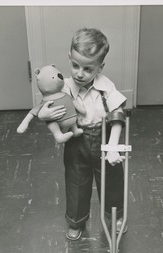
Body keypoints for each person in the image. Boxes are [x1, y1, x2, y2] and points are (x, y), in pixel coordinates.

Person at [38, 28, 127, 240]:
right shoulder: (63, 87)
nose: (79, 73)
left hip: (104, 140)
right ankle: (76, 221)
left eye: (88, 69)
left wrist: (113, 146)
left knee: (112, 181)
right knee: (76, 182)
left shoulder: (106, 87)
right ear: (69, 58)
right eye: (75, 65)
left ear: (100, 67)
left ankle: (116, 217)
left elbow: (117, 116)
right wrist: (44, 114)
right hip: (76, 142)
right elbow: (44, 109)